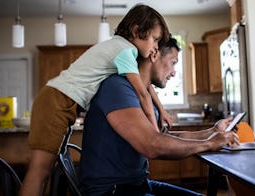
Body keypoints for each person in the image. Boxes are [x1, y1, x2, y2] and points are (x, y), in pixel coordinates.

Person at [20, 4, 172, 196]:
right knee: (40, 171)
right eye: (155, 39)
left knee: (43, 171)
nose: (156, 48)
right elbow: (142, 93)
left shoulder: (120, 48)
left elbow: (146, 85)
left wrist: (162, 109)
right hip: (56, 101)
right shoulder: (125, 51)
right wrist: (154, 134)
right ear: (136, 30)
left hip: (59, 100)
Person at [79, 37, 239, 195]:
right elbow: (153, 145)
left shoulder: (142, 92)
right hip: (110, 191)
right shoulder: (117, 87)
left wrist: (212, 132)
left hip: (137, 185)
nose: (174, 73)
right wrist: (209, 144)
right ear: (154, 55)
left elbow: (162, 136)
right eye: (173, 62)